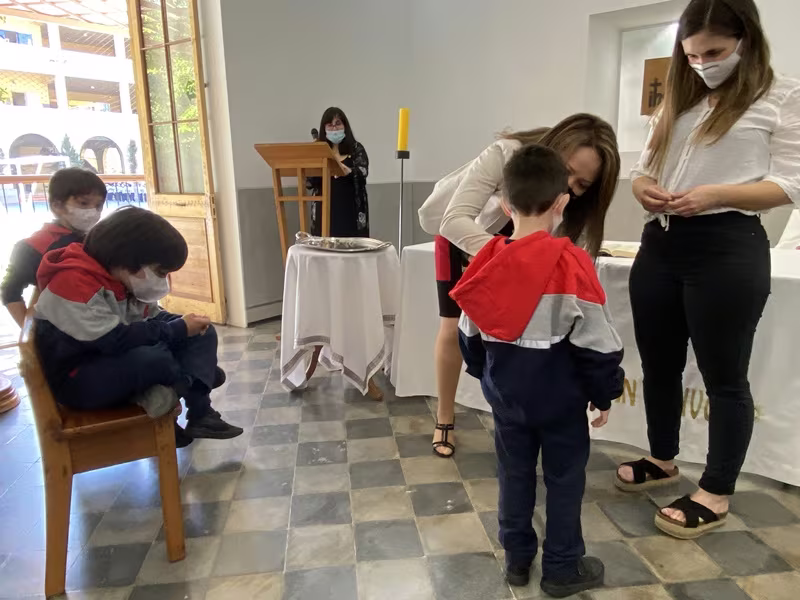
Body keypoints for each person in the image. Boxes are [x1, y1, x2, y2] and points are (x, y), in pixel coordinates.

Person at [617, 0, 800, 539]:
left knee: (724, 376)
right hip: (661, 243)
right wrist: (642, 189)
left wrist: (717, 194)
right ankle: (663, 458)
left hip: (727, 246)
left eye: (714, 52)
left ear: (746, 40)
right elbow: (643, 168)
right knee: (658, 365)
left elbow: (790, 184)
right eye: (692, 55)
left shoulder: (782, 96)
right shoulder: (681, 98)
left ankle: (716, 491)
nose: (702, 64)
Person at [451, 144, 624, 597]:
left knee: (514, 475)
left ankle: (516, 558)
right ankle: (562, 567)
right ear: (561, 202)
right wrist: (604, 393)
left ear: (505, 204)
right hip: (561, 403)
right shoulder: (572, 263)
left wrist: (487, 376)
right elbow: (598, 344)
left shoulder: (485, 260)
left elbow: (468, 335)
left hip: (508, 400)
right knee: (565, 481)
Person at [417, 113, 620, 457]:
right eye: (567, 171)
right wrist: (509, 256)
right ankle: (445, 418)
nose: (569, 186)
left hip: (516, 247)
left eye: (582, 184)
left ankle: (514, 414)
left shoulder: (566, 201)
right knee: (454, 328)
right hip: (463, 236)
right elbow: (454, 220)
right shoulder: (506, 153)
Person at [33, 206, 243, 442]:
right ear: (128, 260)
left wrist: (185, 326)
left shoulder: (116, 275)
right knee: (154, 358)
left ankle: (201, 411)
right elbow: (114, 340)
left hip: (114, 360)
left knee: (201, 332)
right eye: (160, 272)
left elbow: (148, 318)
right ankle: (193, 380)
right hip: (80, 379)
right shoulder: (73, 283)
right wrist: (178, 329)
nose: (163, 280)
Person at [2, 167, 106, 327]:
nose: (93, 211)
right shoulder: (33, 247)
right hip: (69, 327)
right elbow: (10, 292)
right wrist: (29, 332)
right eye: (83, 203)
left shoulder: (98, 239)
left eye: (98, 206)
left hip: (102, 316)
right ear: (57, 206)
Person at [308, 107, 370, 237]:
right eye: (330, 125)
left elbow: (363, 172)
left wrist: (349, 171)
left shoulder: (356, 148)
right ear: (324, 129)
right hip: (324, 210)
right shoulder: (319, 151)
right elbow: (310, 182)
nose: (334, 128)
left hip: (349, 211)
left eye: (338, 124)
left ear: (345, 126)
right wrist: (313, 156)